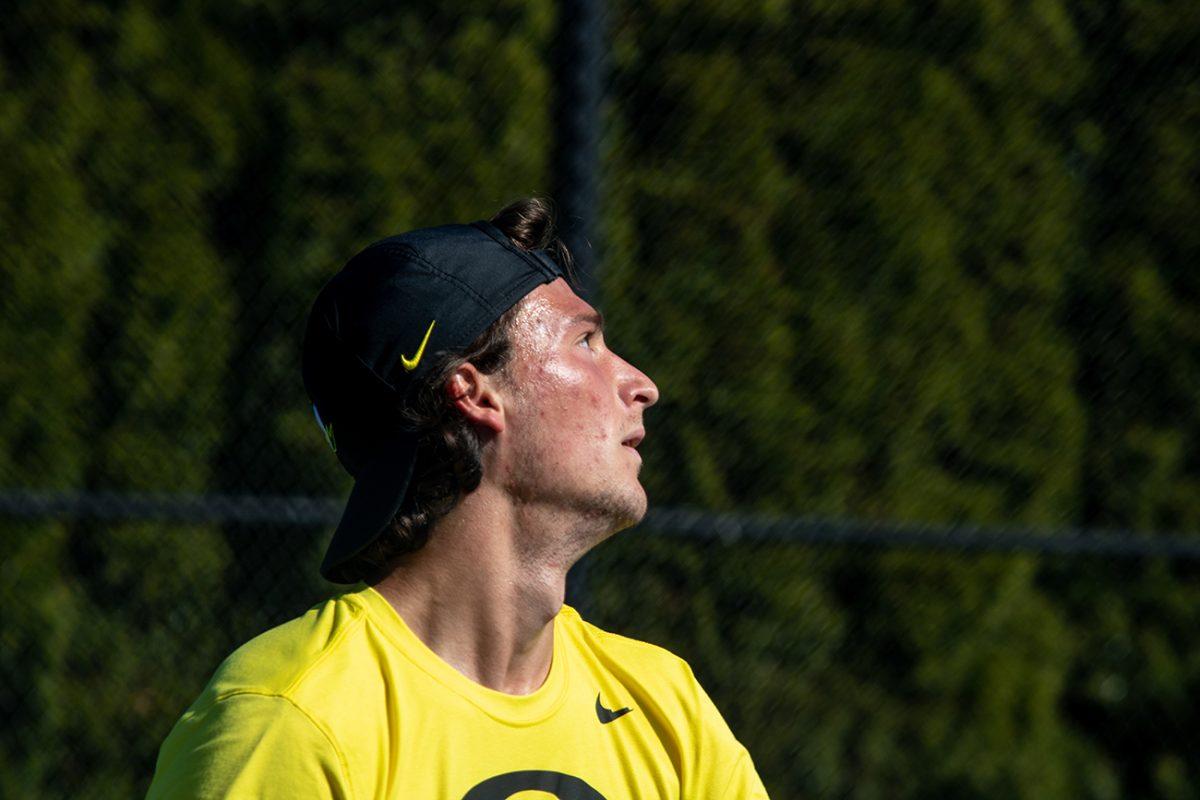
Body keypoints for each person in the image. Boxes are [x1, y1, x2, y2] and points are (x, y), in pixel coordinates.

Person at [147, 198, 769, 799]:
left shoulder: (666, 707)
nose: (642, 385)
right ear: (473, 393)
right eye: (586, 343)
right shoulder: (290, 719)